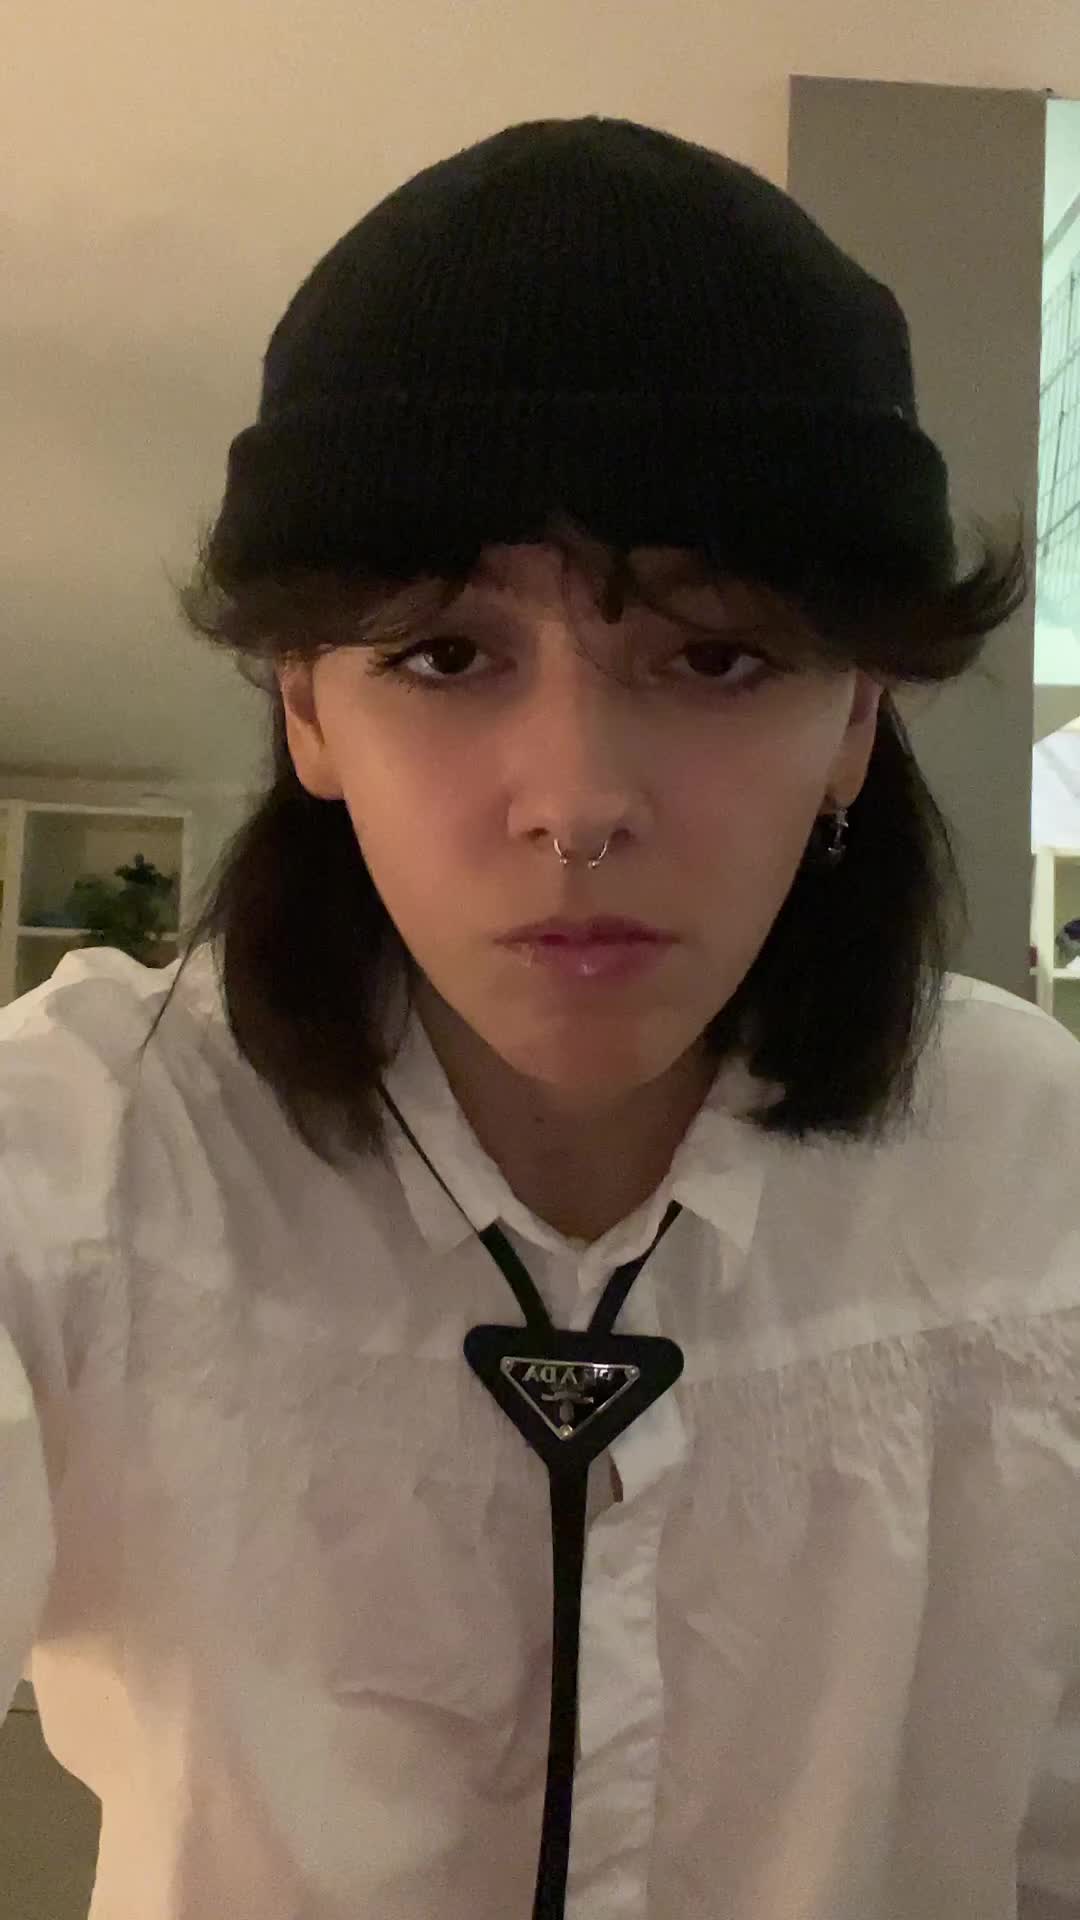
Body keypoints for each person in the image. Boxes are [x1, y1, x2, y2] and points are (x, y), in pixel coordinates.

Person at [1, 113, 1078, 1920]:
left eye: (716, 655)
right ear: (307, 710)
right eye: (446, 654)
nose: (576, 801)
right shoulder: (86, 1162)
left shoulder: (1040, 1182)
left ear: (857, 718)